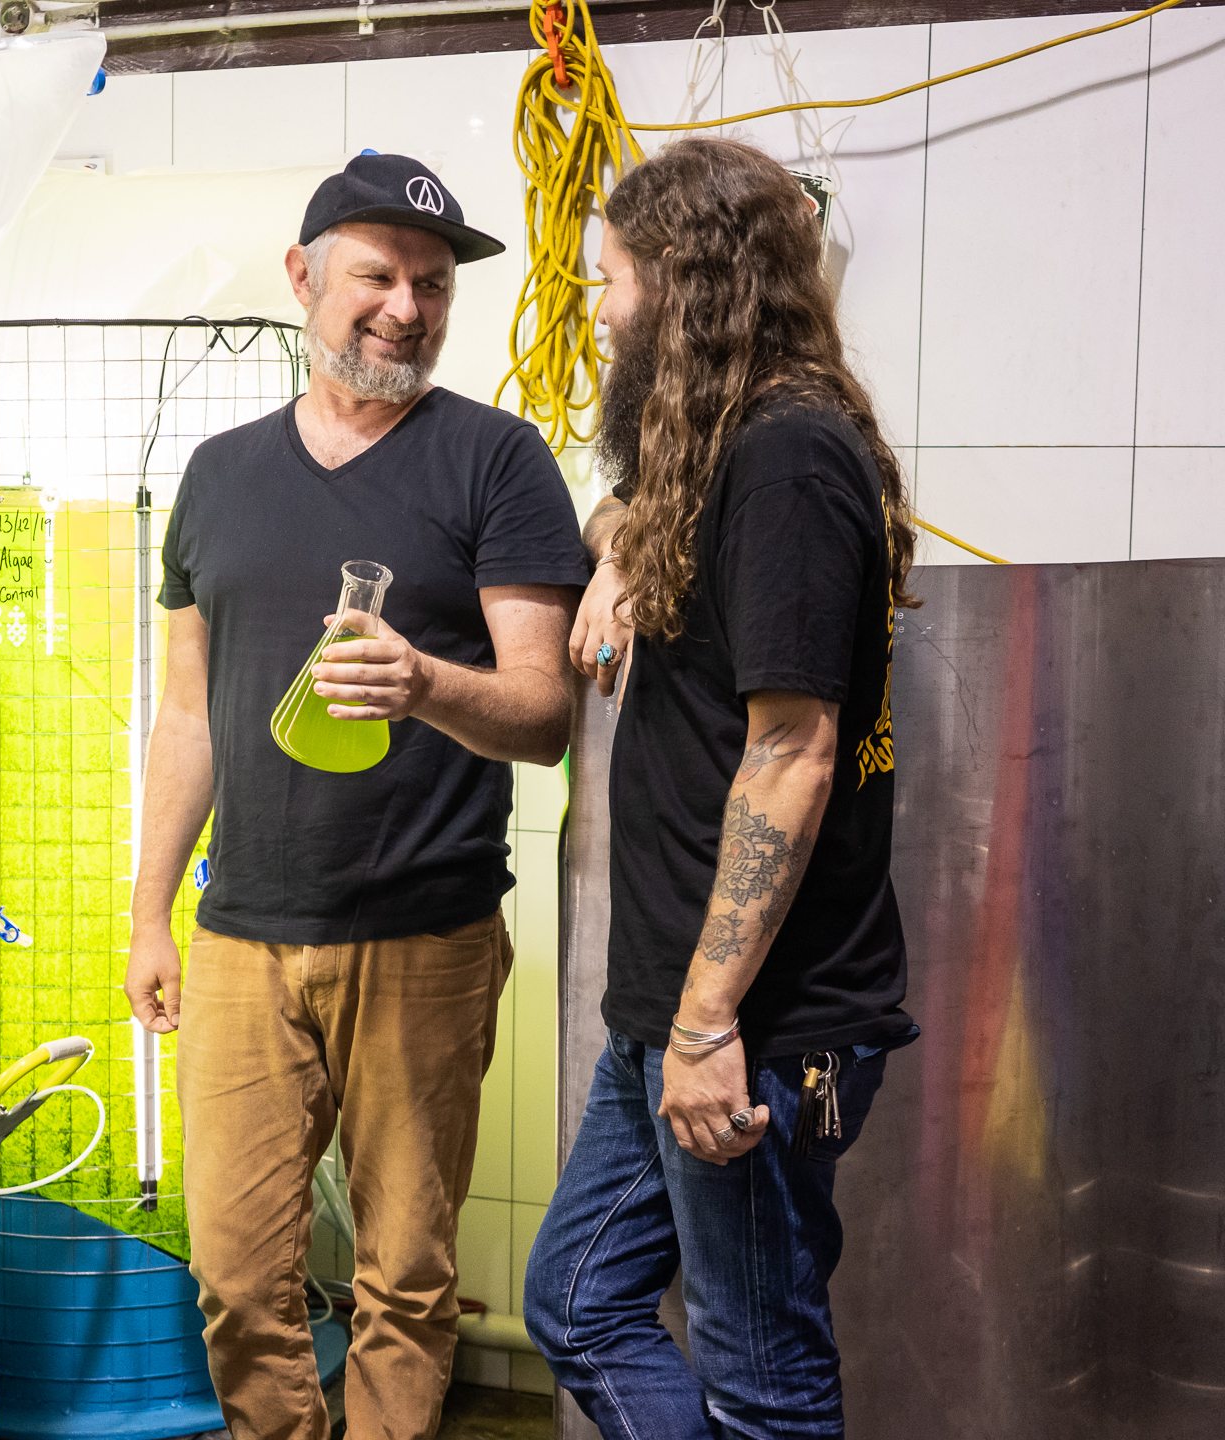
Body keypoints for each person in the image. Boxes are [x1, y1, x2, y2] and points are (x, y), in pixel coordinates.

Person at [124, 153, 589, 1440]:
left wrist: (425, 682)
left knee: (405, 1281)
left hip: (425, 938)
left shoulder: (497, 461)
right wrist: (150, 908)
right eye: (378, 275)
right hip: (241, 934)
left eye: (433, 285)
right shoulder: (218, 475)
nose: (407, 307)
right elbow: (185, 715)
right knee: (237, 1282)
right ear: (304, 278)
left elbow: (545, 715)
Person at [522, 137, 921, 1438]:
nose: (603, 311)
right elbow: (619, 495)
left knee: (761, 1375)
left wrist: (704, 1025)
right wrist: (621, 542)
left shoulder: (790, 461)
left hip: (750, 1020)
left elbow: (795, 749)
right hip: (671, 1003)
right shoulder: (712, 456)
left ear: (686, 288)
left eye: (615, 284)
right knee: (577, 1302)